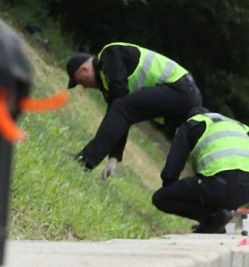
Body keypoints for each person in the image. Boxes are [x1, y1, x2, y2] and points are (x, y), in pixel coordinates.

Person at [66, 43, 202, 174]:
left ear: (85, 69)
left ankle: (85, 161)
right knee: (195, 147)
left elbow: (120, 110)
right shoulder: (107, 78)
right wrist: (113, 158)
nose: (84, 86)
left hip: (180, 89)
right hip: (185, 94)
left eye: (81, 81)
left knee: (120, 108)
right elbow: (120, 117)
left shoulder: (110, 54)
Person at [150, 110, 249, 233]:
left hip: (219, 185)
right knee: (210, 193)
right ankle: (215, 222)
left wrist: (170, 189)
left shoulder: (192, 124)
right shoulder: (234, 125)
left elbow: (171, 171)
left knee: (161, 198)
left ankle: (211, 218)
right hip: (248, 190)